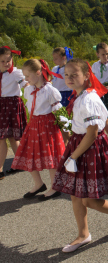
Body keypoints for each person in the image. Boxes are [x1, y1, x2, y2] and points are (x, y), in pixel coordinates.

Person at [52, 59, 108, 253]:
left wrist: (73, 157)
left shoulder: (89, 99)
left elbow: (93, 132)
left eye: (74, 74)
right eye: (67, 75)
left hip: (89, 148)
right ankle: (83, 234)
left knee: (88, 199)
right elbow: (106, 120)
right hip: (79, 144)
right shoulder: (82, 95)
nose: (69, 78)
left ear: (86, 76)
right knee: (75, 194)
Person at [11, 59, 65, 201]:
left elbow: (58, 112)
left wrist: (65, 128)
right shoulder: (28, 90)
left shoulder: (50, 90)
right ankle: (38, 183)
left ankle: (54, 187)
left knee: (50, 157)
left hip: (47, 126)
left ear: (38, 72)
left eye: (28, 76)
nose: (26, 79)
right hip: (33, 124)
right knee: (28, 155)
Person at [0, 46, 28, 180]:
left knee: (12, 137)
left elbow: (26, 85)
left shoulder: (16, 73)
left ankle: (19, 163)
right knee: (2, 138)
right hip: (1, 106)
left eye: (8, 61)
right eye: (2, 61)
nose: (6, 64)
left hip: (12, 105)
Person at [52, 47, 74, 145]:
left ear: (64, 57)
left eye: (56, 58)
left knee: (65, 121)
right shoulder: (54, 69)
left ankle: (70, 142)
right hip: (56, 96)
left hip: (66, 95)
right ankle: (64, 144)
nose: (54, 60)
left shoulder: (67, 68)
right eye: (53, 58)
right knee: (59, 122)